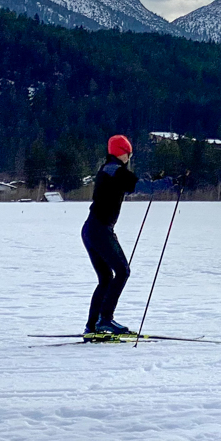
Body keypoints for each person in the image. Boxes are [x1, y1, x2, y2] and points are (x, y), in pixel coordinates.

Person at [82, 134, 138, 337]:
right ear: (123, 153)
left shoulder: (109, 169)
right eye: (128, 154)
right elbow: (137, 185)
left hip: (90, 230)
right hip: (100, 230)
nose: (129, 157)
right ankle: (105, 320)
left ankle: (92, 327)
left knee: (106, 278)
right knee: (122, 271)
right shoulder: (114, 170)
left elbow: (131, 183)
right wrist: (169, 182)